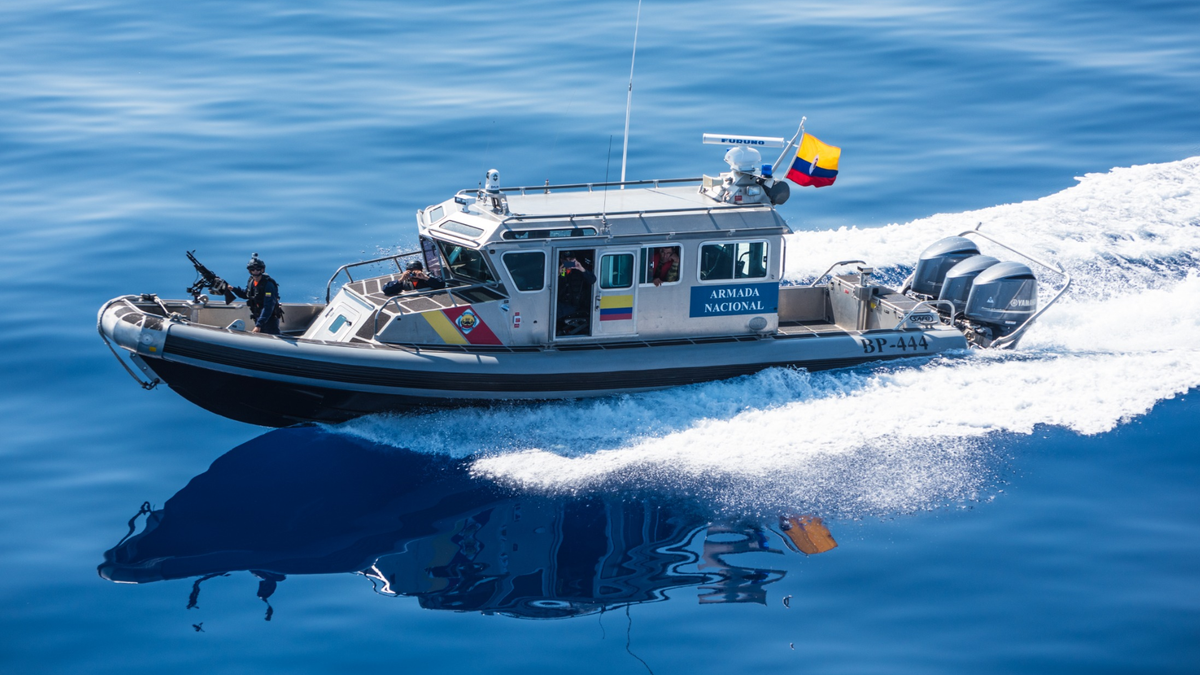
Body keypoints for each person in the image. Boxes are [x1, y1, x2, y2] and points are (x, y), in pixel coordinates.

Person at [230, 253, 282, 335]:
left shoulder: (268, 286)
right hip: (258, 316)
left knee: (272, 336)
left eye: (258, 269)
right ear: (250, 271)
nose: (255, 272)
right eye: (253, 269)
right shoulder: (251, 281)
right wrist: (233, 289)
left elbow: (268, 306)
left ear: (262, 270)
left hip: (268, 319)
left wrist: (259, 325)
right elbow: (246, 294)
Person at [556, 253, 596, 334]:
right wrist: (557, 274)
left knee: (556, 312)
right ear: (561, 260)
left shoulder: (580, 271)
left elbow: (592, 280)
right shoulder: (561, 271)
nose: (569, 262)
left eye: (571, 260)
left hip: (574, 304)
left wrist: (581, 269)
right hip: (560, 301)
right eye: (566, 261)